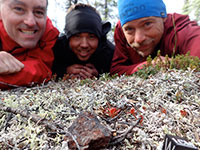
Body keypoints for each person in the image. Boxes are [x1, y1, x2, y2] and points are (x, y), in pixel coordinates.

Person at [110, 0, 200, 76]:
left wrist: (176, 63)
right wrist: (148, 65)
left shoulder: (184, 31)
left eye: (147, 24)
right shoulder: (121, 31)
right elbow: (116, 70)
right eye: (129, 29)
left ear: (163, 17)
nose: (139, 39)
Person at [0, 0, 59, 90]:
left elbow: (41, 70)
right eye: (19, 9)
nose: (30, 22)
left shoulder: (48, 33)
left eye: (39, 12)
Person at [52, 3, 114, 80]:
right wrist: (63, 71)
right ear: (68, 38)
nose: (84, 45)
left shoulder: (109, 51)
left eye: (91, 37)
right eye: (77, 36)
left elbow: (117, 71)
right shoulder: (56, 49)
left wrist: (99, 74)